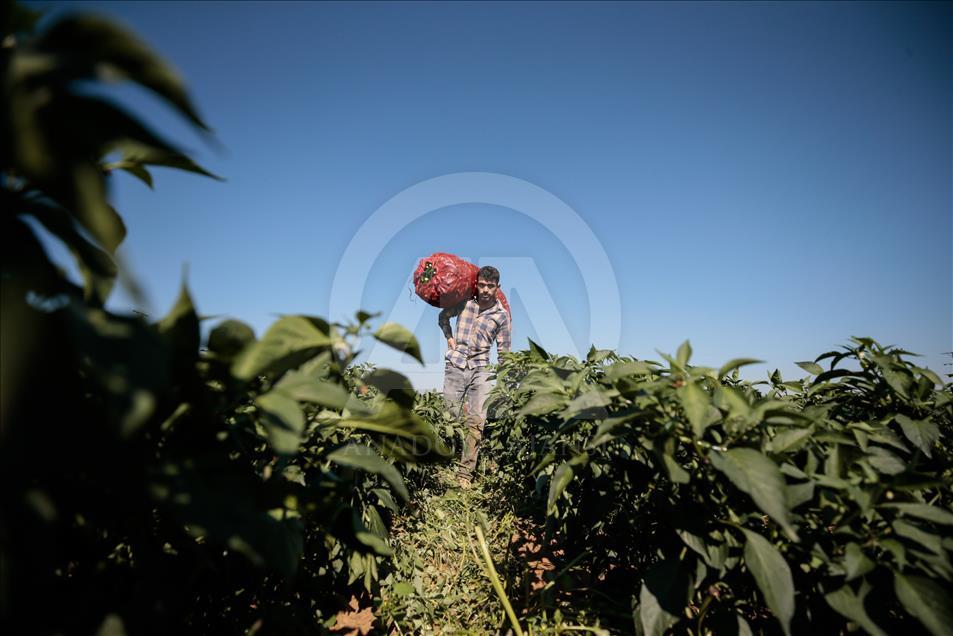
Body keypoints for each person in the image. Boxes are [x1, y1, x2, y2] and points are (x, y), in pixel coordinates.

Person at [438, 265, 512, 488]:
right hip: (456, 364)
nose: (486, 290)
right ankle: (443, 466)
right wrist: (449, 338)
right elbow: (443, 316)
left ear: (497, 288)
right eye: (482, 285)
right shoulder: (465, 302)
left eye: (490, 286)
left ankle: (465, 474)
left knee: (477, 421)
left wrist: (504, 381)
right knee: (449, 416)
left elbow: (504, 350)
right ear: (477, 284)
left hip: (481, 369)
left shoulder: (501, 316)